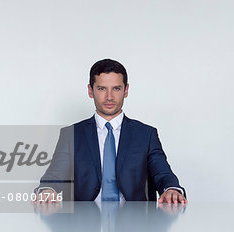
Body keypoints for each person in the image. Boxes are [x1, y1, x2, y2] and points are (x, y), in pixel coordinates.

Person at [36, 59, 186, 204]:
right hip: (84, 224)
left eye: (116, 88)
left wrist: (171, 189)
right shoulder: (70, 135)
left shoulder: (146, 135)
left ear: (126, 90)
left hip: (135, 223)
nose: (109, 97)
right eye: (102, 89)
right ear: (90, 90)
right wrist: (48, 190)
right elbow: (54, 176)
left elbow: (163, 173)